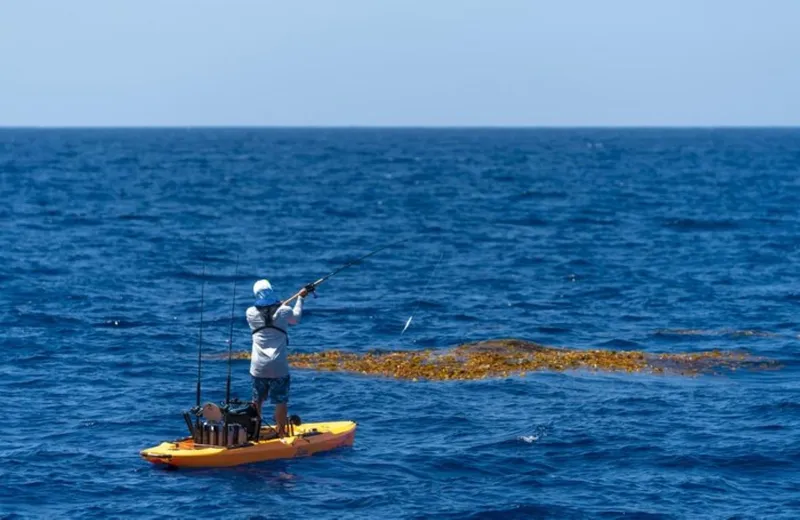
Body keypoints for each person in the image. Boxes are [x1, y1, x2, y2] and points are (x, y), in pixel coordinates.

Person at [247, 279, 310, 437]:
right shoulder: (284, 311)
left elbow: (267, 314)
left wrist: (279, 306)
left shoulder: (250, 312)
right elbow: (295, 318)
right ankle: (281, 432)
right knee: (280, 401)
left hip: (258, 366)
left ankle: (254, 433)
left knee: (257, 401)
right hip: (279, 366)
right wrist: (300, 298)